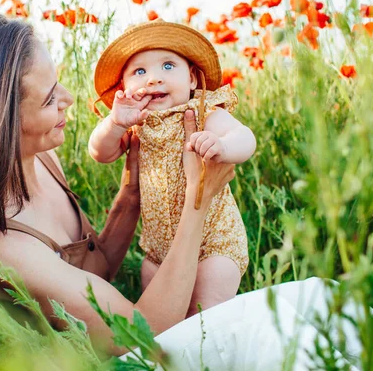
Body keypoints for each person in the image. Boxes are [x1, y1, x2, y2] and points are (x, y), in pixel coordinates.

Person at [0, 12, 363, 368]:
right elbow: (144, 334)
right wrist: (198, 201)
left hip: (151, 328)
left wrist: (132, 191)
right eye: (50, 95)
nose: (70, 100)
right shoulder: (3, 244)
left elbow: (95, 267)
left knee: (323, 306)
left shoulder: (39, 156)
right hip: (128, 356)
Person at [88, 20, 256, 315]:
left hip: (213, 242)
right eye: (139, 72)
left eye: (168, 66)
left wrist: (224, 147)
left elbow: (246, 137)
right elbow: (99, 152)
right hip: (158, 251)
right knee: (164, 320)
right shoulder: (136, 123)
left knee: (205, 316)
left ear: (192, 79)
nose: (153, 79)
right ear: (124, 87)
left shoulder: (202, 113)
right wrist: (114, 123)